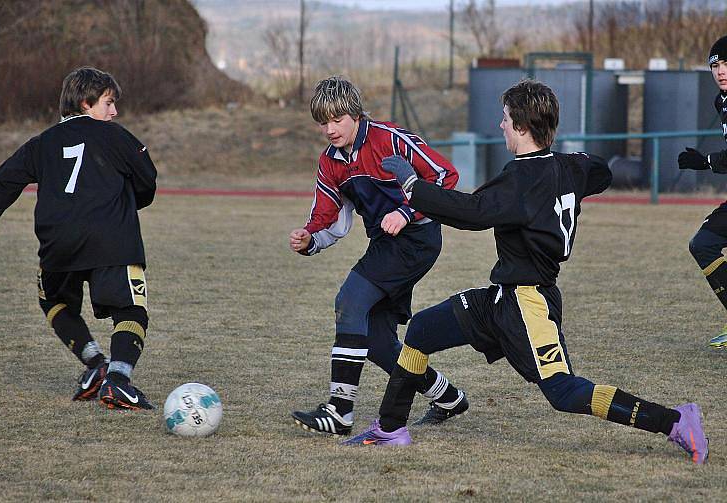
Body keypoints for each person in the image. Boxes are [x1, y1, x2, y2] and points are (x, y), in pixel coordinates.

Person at [344, 79, 708, 465]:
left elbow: (471, 212)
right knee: (420, 331)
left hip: (529, 304)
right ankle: (391, 427)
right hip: (499, 298)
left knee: (563, 392)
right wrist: (571, 172)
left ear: (520, 126)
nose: (500, 126)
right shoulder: (568, 167)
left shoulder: (522, 180)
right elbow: (599, 171)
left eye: (504, 119)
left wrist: (413, 185)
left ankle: (674, 421)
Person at [0, 67, 157, 410]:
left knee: (55, 302)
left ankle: (95, 364)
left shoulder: (41, 143)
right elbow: (147, 180)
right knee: (131, 309)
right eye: (108, 102)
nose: (114, 111)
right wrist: (128, 199)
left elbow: (3, 184)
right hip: (111, 239)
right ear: (87, 103)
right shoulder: (115, 135)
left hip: (58, 243)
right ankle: (117, 381)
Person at [288, 76, 469, 435]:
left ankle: (339, 411)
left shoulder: (389, 139)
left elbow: (445, 176)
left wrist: (406, 211)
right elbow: (330, 217)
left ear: (355, 115)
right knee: (376, 341)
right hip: (384, 245)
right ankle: (448, 396)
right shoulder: (331, 162)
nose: (329, 129)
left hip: (418, 238)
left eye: (337, 120)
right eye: (323, 122)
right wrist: (309, 237)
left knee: (349, 301)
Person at [679, 35, 727, 348]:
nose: (721, 71)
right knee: (704, 243)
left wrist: (706, 161)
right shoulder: (721, 101)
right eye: (716, 65)